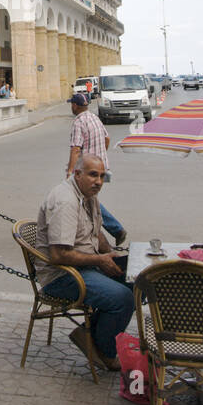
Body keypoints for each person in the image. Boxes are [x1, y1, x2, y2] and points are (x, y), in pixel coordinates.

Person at [36, 155, 134, 370]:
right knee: (123, 298)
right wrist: (100, 260)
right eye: (92, 175)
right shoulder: (66, 201)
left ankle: (88, 336)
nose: (98, 181)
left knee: (137, 282)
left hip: (85, 266)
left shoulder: (87, 194)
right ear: (77, 174)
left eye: (101, 176)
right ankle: (104, 351)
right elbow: (59, 256)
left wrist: (111, 256)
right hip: (62, 276)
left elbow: (96, 231)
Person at [66, 92, 126, 246]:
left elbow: (76, 149)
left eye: (71, 104)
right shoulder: (94, 118)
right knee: (88, 200)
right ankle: (106, 232)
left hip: (87, 171)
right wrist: (100, 157)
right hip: (101, 167)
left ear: (75, 105)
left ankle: (113, 231)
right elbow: (107, 138)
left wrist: (70, 172)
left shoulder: (79, 122)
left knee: (86, 200)